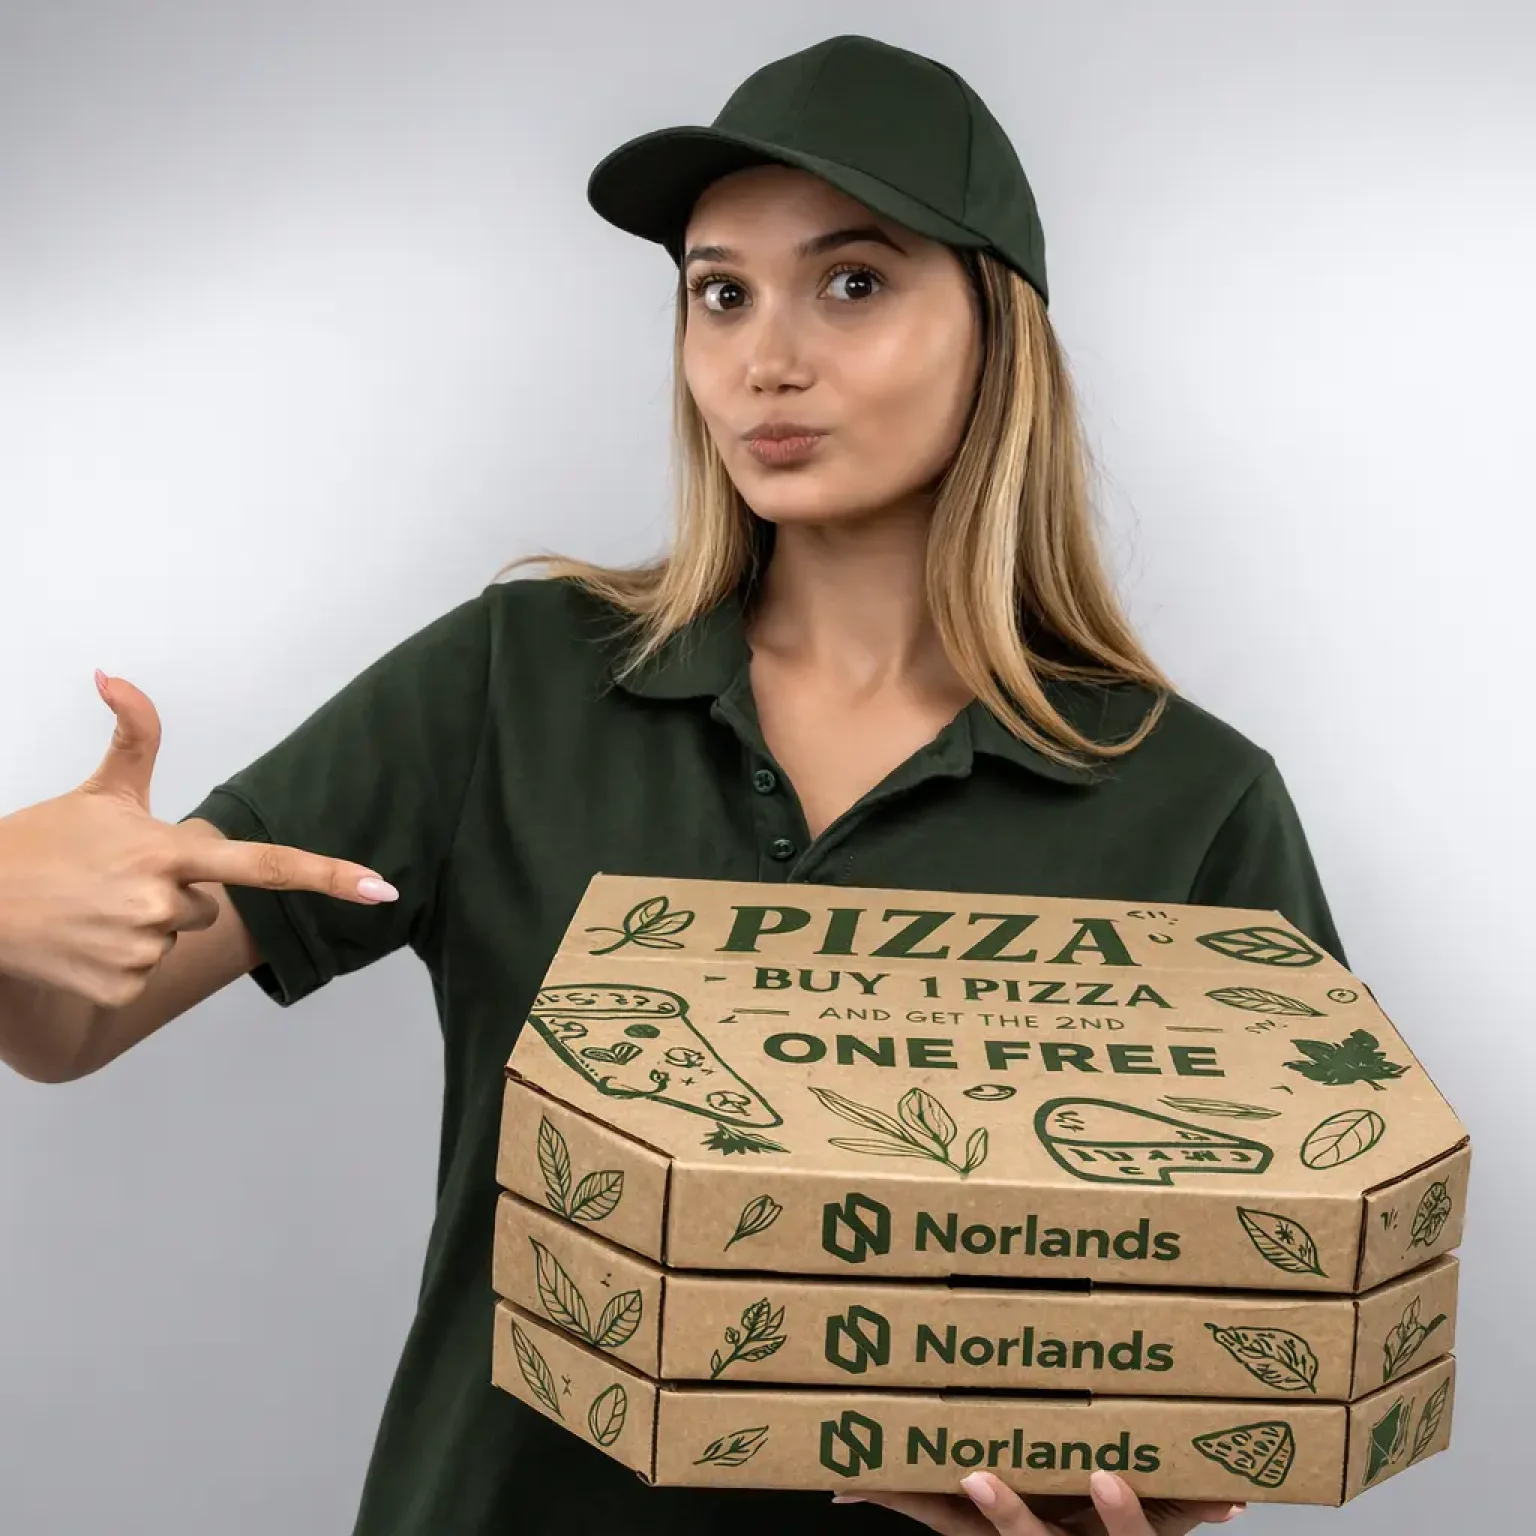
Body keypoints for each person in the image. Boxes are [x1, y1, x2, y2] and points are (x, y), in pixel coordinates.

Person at [0, 32, 1345, 1536]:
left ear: (997, 325)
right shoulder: (512, 681)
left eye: (853, 281)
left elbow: (1241, 1363)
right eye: (720, 293)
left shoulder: (1193, 801)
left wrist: (1141, 1502)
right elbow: (70, 1024)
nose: (765, 357)